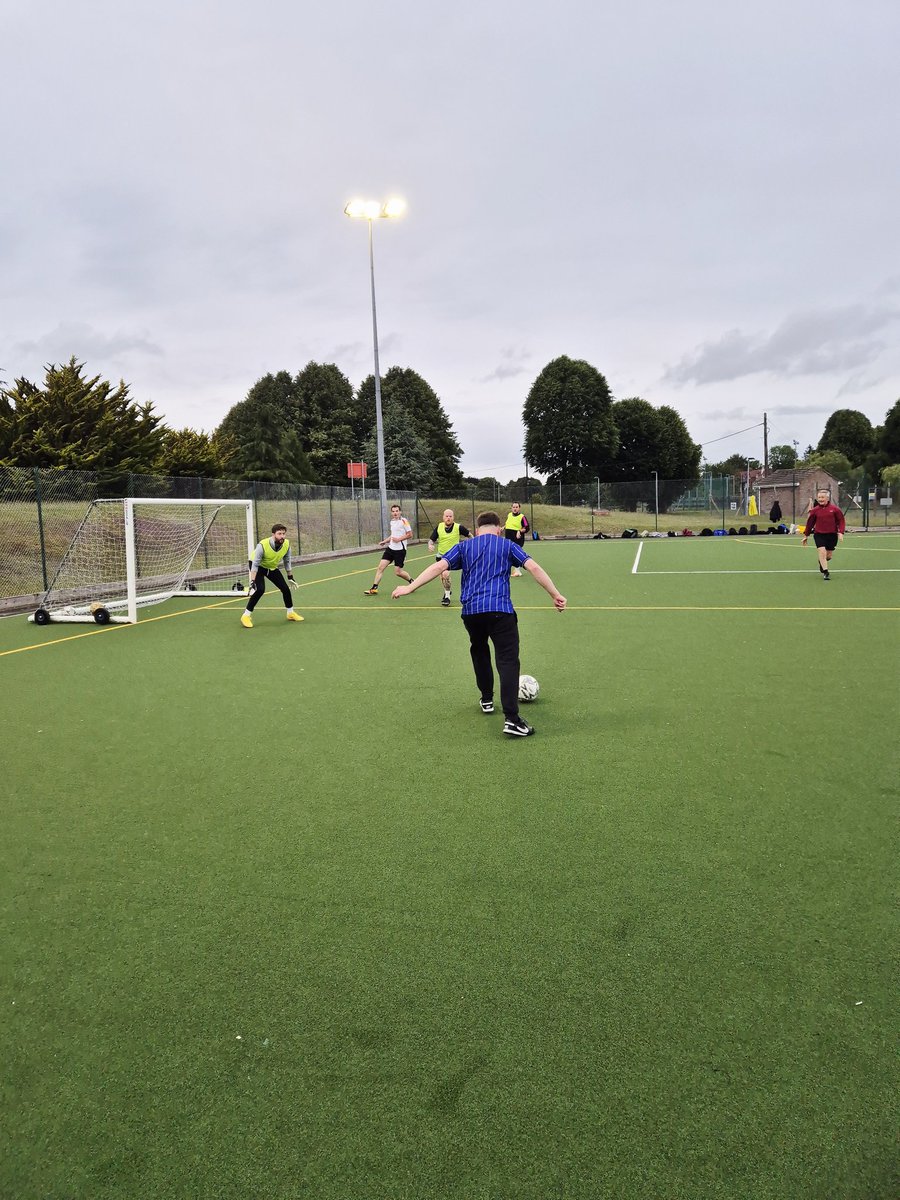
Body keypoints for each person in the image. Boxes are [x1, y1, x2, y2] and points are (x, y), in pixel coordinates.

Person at [391, 510, 566, 737]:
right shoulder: (507, 545)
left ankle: (486, 699)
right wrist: (555, 594)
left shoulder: (465, 547)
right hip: (500, 610)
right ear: (499, 528)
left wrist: (409, 587)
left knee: (480, 651)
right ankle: (512, 719)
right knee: (507, 661)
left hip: (472, 612)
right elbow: (533, 567)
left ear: (478, 527)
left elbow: (439, 567)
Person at [240, 523, 303, 628]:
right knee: (260, 589)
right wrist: (252, 581)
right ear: (273, 534)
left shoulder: (286, 544)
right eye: (279, 534)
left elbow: (287, 561)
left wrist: (290, 577)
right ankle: (246, 615)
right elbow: (255, 564)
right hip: (258, 566)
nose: (282, 536)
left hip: (271, 567)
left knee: (285, 589)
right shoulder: (263, 545)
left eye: (283, 533)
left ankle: (290, 613)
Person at [363, 503, 415, 595]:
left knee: (398, 572)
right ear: (391, 513)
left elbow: (410, 534)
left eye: (397, 511)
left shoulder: (404, 521)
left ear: (400, 512)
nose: (395, 513)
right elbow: (393, 535)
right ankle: (374, 588)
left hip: (400, 550)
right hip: (390, 549)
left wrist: (399, 539)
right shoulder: (392, 522)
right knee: (380, 567)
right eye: (393, 511)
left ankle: (412, 582)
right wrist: (385, 541)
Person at [427, 508, 471, 606]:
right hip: (440, 556)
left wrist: (472, 543)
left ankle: (447, 597)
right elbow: (431, 540)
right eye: (446, 516)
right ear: (443, 517)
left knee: (446, 575)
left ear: (453, 518)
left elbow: (470, 535)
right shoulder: (439, 527)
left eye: (450, 516)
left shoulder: (458, 527)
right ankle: (447, 591)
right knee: (442, 577)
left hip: (453, 556)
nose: (448, 518)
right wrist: (430, 545)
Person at [802, 489, 846, 580]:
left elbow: (841, 521)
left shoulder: (835, 509)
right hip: (819, 535)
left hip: (832, 535)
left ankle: (821, 562)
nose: (820, 499)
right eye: (819, 497)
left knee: (828, 555)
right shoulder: (815, 511)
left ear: (827, 498)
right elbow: (809, 524)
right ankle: (826, 572)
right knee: (822, 552)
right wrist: (806, 535)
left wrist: (841, 532)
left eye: (822, 497)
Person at [504, 501, 529, 576]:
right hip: (508, 537)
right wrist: (503, 528)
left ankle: (518, 571)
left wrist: (519, 531)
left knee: (516, 554)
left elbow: (527, 528)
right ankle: (512, 570)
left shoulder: (522, 517)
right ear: (511, 508)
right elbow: (508, 524)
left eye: (516, 507)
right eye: (513, 507)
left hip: (517, 538)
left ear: (519, 508)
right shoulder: (509, 515)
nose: (515, 509)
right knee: (508, 554)